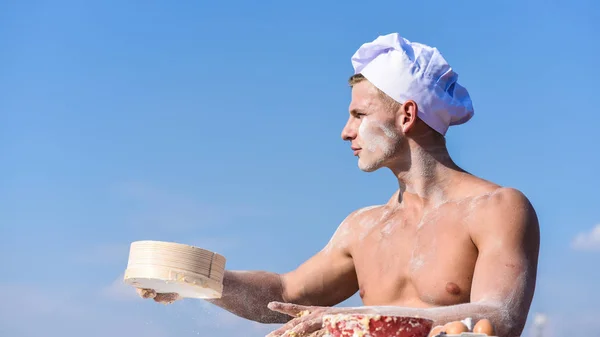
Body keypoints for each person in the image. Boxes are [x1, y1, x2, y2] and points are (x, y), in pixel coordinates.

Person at [136, 33, 540, 337]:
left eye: (359, 114)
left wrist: (352, 318)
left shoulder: (497, 208)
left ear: (407, 115)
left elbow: (498, 315)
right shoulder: (363, 228)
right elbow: (286, 293)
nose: (346, 132)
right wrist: (202, 281)